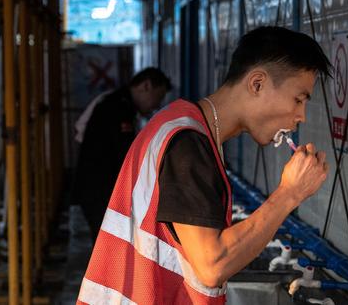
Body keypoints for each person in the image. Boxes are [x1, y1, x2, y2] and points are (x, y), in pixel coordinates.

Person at [78, 26, 331, 304]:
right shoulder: (187, 142)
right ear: (257, 83)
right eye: (298, 99)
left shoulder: (186, 128)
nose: (301, 116)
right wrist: (289, 193)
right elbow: (213, 265)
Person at [74, 67, 173, 242]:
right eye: (158, 97)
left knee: (106, 247)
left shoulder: (116, 102)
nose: (156, 105)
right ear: (146, 86)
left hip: (96, 189)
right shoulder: (119, 108)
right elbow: (126, 156)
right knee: (108, 247)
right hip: (100, 192)